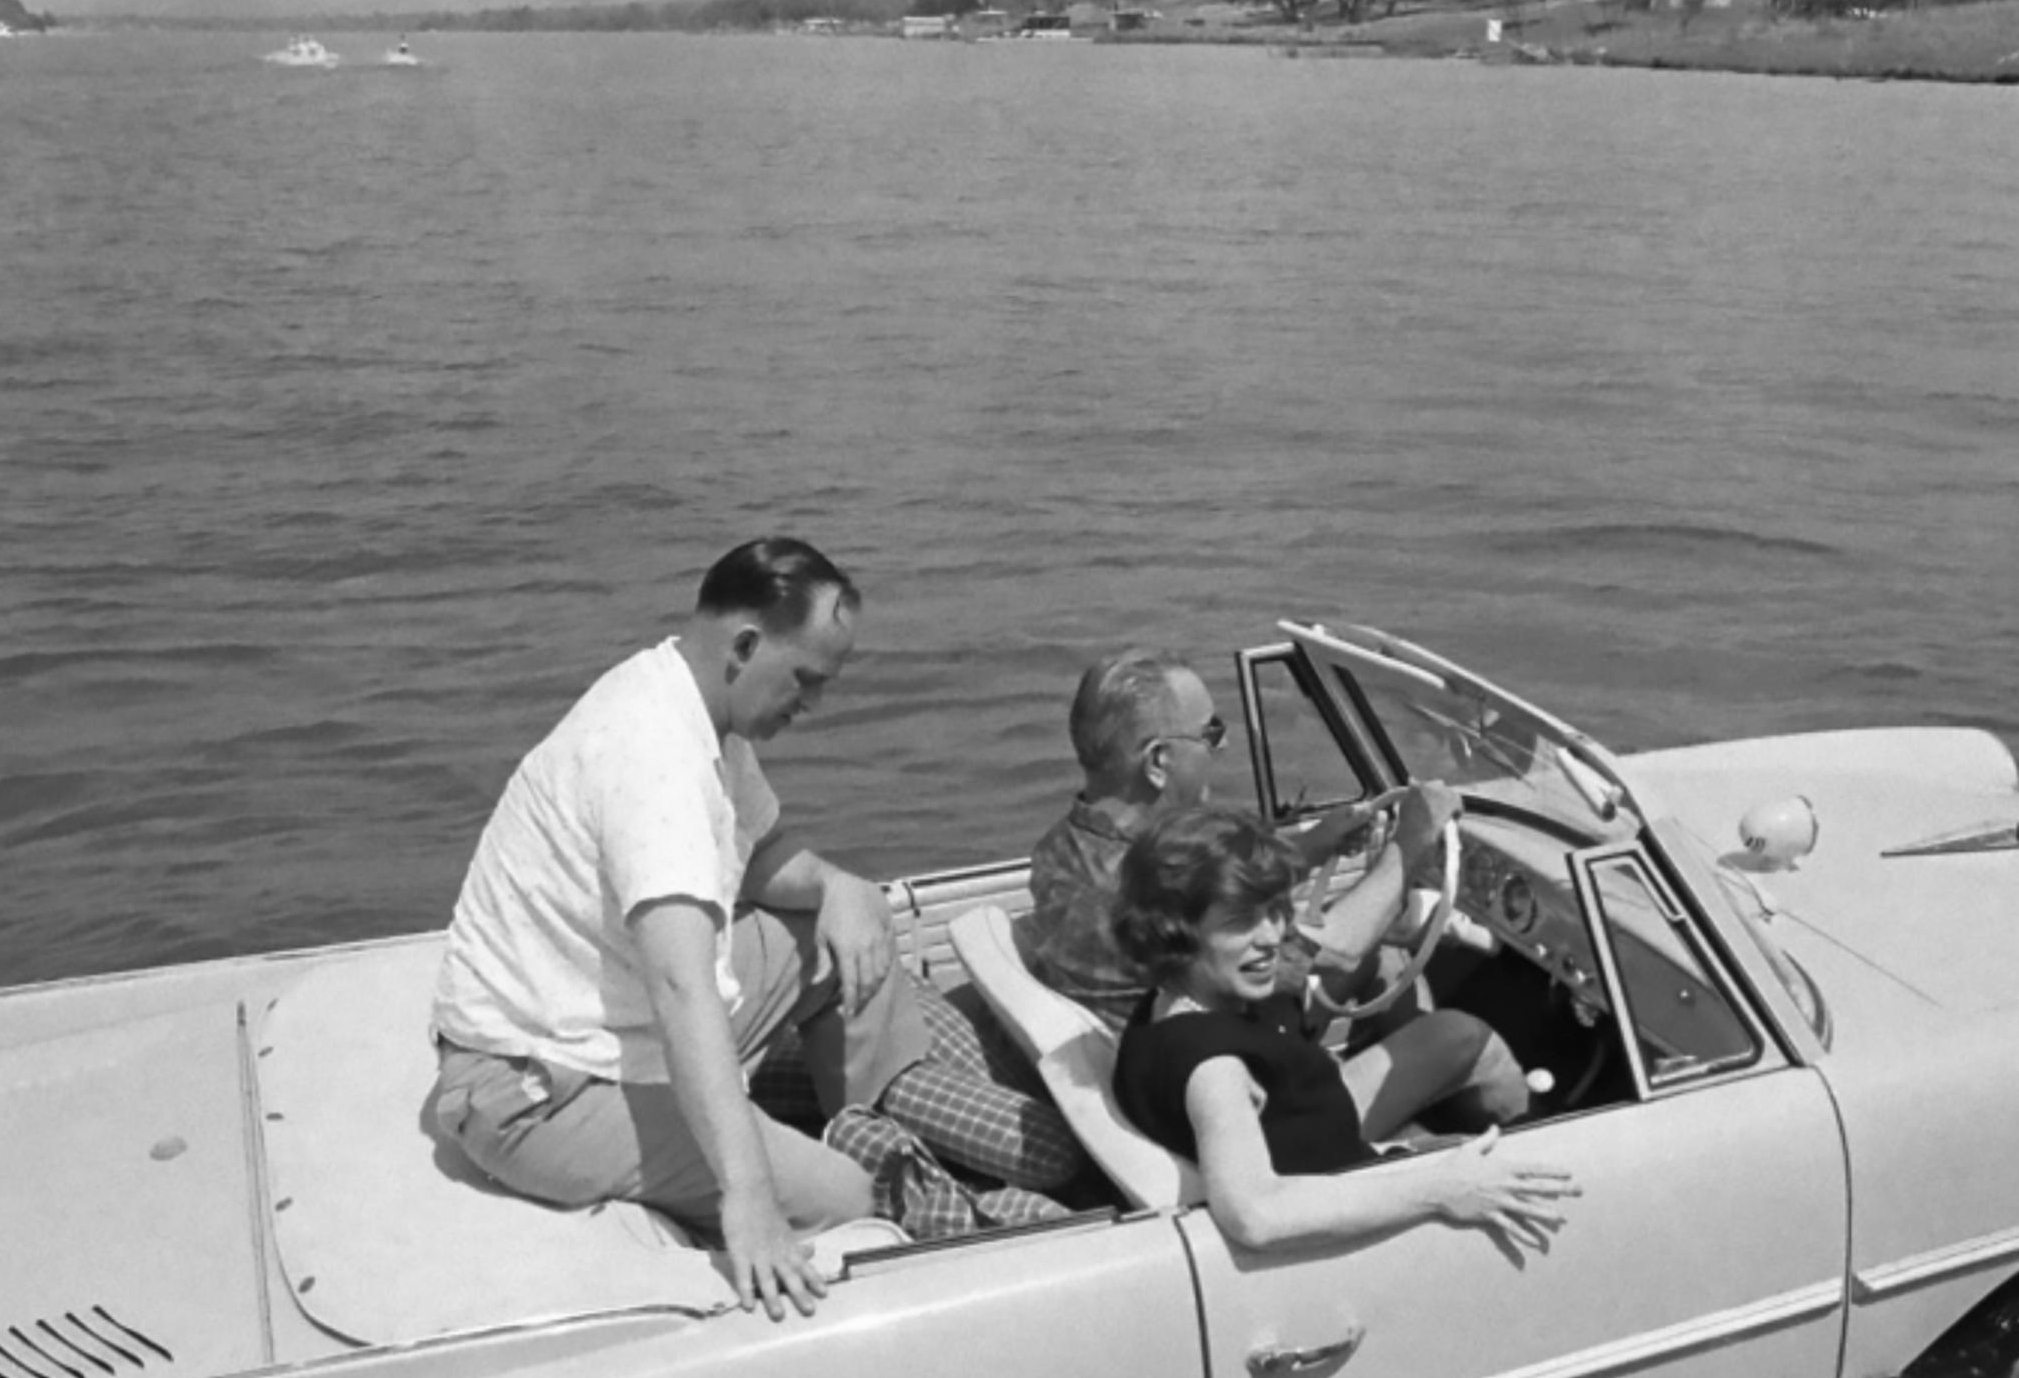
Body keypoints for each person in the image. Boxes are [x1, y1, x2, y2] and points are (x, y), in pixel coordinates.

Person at [428, 537, 1047, 1316]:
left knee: (844, 935)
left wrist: (838, 884)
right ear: (747, 645)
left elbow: (753, 858)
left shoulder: (696, 704)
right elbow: (682, 986)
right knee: (852, 1195)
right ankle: (867, 1183)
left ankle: (884, 1117)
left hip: (606, 1015)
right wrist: (748, 1194)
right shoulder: (653, 754)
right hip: (538, 1089)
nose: (814, 704)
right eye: (807, 679)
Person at [1110, 807, 1573, 1256]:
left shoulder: (1167, 1006)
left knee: (1458, 1034)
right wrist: (1441, 1188)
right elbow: (1255, 1214)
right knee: (1565, 1176)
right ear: (1177, 932)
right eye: (1241, 922)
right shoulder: (1216, 1072)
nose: (1272, 936)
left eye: (1275, 910)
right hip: (1351, 1189)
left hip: (1313, 1133)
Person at [1018, 649, 1435, 1021]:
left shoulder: (1060, 848)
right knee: (1458, 1033)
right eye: (1210, 733)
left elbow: (1220, 882)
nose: (1225, 744)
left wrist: (1314, 845)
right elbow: (1336, 954)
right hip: (1228, 1064)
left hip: (1156, 1056)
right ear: (1159, 761)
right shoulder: (1155, 893)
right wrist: (1412, 841)